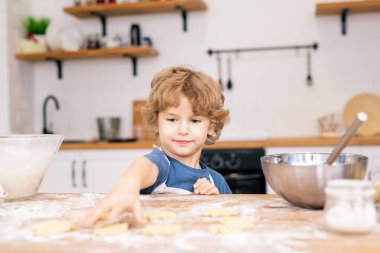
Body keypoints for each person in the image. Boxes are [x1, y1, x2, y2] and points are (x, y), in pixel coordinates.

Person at [84, 66, 230, 226]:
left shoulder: (217, 181)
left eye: (195, 121)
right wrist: (128, 183)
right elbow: (143, 167)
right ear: (156, 123)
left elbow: (229, 220)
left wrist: (214, 202)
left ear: (212, 127)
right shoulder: (162, 165)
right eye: (172, 120)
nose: (183, 130)